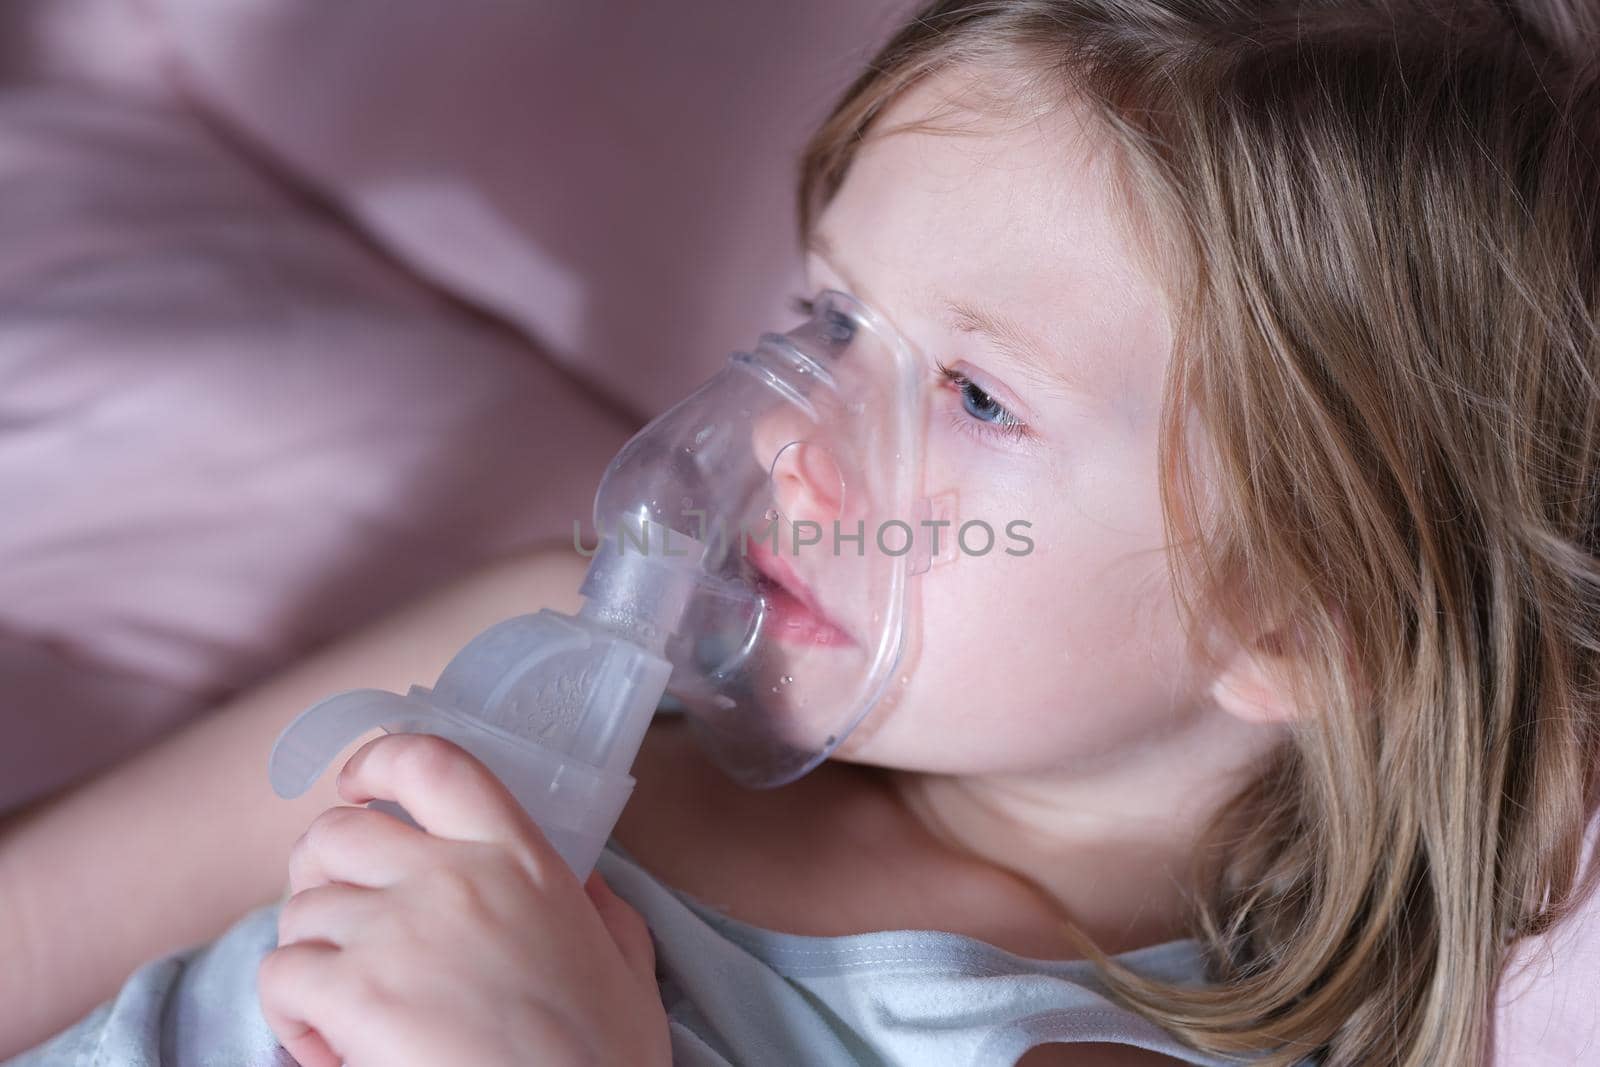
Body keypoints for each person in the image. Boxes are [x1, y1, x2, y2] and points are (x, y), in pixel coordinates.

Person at [9, 0, 1600, 1063]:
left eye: (977, 398)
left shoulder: (1051, 1044)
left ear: (1310, 617)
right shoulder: (539, 656)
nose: (781, 428)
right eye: (831, 313)